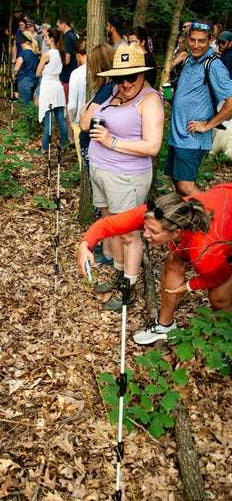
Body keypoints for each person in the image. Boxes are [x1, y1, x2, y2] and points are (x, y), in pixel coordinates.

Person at [78, 183, 232, 345]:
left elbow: (221, 275)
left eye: (154, 232)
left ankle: (225, 345)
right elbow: (109, 224)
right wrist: (85, 245)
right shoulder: (159, 214)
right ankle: (164, 326)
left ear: (176, 232)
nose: (145, 234)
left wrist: (189, 286)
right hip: (223, 203)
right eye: (146, 228)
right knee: (174, 261)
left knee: (219, 298)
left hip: (220, 233)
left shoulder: (204, 251)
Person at [79, 42, 164, 310]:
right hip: (101, 171)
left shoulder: (150, 100)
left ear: (143, 74)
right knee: (110, 226)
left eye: (132, 77)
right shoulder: (115, 91)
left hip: (127, 177)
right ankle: (118, 273)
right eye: (120, 77)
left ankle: (130, 286)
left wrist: (111, 142)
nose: (125, 83)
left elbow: (152, 146)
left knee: (129, 234)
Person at [165, 21, 232, 197]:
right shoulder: (189, 60)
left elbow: (230, 102)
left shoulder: (214, 65)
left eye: (201, 41)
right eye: (193, 40)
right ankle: (189, 222)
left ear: (210, 40)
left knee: (187, 186)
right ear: (188, 39)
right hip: (177, 135)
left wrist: (207, 125)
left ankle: (213, 216)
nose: (196, 45)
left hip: (193, 138)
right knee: (177, 183)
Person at [78, 43, 116, 265]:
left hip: (94, 150)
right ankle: (107, 246)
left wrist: (85, 112)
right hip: (93, 149)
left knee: (102, 202)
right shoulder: (106, 89)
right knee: (101, 200)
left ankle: (108, 250)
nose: (90, 71)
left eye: (92, 66)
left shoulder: (106, 90)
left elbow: (84, 122)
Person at [36, 27, 68, 154]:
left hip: (48, 85)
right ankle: (63, 144)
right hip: (58, 85)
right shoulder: (61, 53)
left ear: (51, 38)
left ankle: (44, 147)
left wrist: (44, 72)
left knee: (48, 118)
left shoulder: (47, 54)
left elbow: (38, 72)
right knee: (60, 118)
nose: (44, 39)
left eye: (46, 37)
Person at [56, 14, 78, 143]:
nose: (58, 28)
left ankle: (70, 138)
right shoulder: (74, 35)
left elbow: (67, 59)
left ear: (63, 24)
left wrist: (57, 64)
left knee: (68, 108)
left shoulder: (68, 37)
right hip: (70, 76)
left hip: (67, 77)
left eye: (58, 25)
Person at [68, 38, 87, 168]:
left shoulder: (76, 73)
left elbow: (72, 105)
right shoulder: (102, 70)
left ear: (78, 54)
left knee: (83, 161)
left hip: (79, 122)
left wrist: (72, 118)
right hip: (99, 122)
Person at [12, 31, 39, 122]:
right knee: (33, 104)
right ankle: (35, 122)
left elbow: (16, 68)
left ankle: (29, 124)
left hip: (24, 81)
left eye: (22, 43)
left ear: (25, 43)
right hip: (35, 80)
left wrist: (14, 75)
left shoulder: (23, 53)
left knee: (26, 104)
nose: (21, 44)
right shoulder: (35, 53)